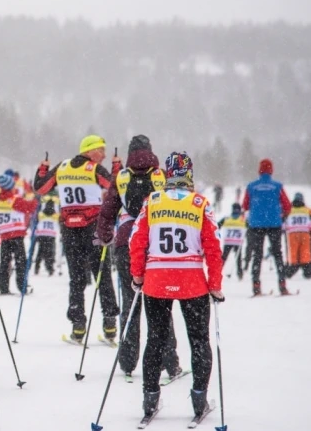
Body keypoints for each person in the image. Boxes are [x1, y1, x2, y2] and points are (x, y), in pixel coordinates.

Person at [130, 151, 224, 424]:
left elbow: (137, 241)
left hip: (157, 281)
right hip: (192, 281)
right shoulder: (200, 203)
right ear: (189, 173)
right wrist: (215, 285)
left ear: (167, 173)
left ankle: (150, 399)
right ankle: (199, 398)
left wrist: (137, 276)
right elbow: (213, 247)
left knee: (155, 340)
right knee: (199, 341)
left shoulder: (153, 201)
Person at [96, 135, 182, 377]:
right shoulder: (162, 175)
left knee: (130, 303)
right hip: (157, 246)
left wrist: (104, 235)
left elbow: (107, 211)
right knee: (161, 305)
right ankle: (170, 361)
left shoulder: (121, 176)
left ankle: (128, 361)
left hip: (127, 243)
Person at [33, 134, 121, 343]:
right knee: (102, 276)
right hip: (93, 229)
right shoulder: (93, 168)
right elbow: (115, 186)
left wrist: (43, 169)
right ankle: (110, 327)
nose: (104, 155)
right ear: (90, 150)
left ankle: (78, 327)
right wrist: (116, 167)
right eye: (101, 150)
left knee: (76, 278)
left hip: (70, 230)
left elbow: (40, 188)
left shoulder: (62, 167)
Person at [243, 158, 292, 296]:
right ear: (271, 170)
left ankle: (256, 286)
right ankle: (282, 286)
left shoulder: (252, 186)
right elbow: (287, 206)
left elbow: (245, 205)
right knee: (277, 254)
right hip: (274, 224)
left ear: (259, 170)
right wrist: (282, 215)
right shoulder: (277, 186)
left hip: (256, 225)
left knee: (257, 255)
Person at [0, 173, 37, 294]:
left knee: (4, 262)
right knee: (21, 262)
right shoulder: (13, 199)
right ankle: (22, 286)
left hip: (5, 235)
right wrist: (34, 197)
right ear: (9, 186)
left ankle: (3, 287)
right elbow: (30, 207)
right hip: (16, 234)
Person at [283, 193, 311, 279]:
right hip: (306, 234)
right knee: (306, 252)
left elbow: (282, 221)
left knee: (292, 253)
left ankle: (290, 270)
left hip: (292, 234)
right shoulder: (307, 210)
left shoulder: (289, 210)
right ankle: (308, 271)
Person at [219, 203, 247, 280]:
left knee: (224, 257)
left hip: (228, 241)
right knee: (238, 258)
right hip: (238, 241)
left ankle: (218, 272)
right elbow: (249, 228)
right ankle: (240, 274)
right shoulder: (243, 219)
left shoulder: (227, 218)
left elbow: (217, 225)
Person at [30, 199, 58, 276]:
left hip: (41, 235)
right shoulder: (55, 215)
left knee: (40, 252)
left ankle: (37, 267)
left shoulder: (40, 214)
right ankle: (50, 268)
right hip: (51, 235)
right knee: (50, 252)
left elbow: (35, 220)